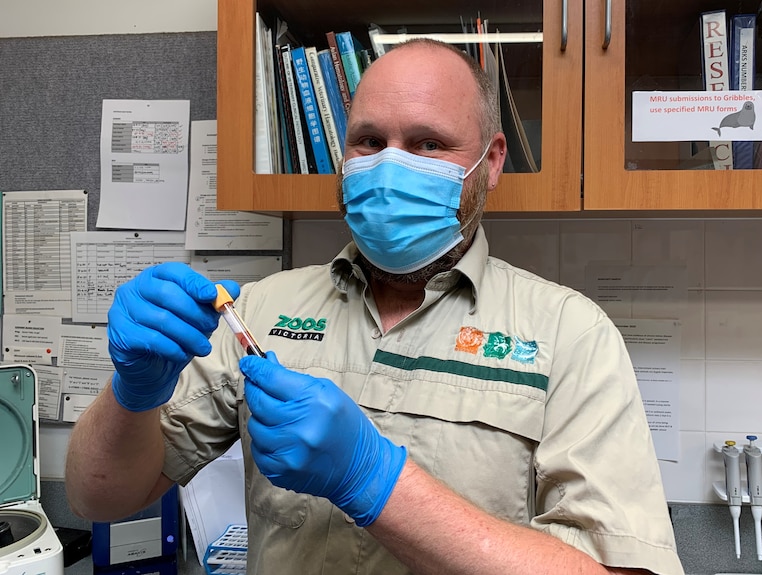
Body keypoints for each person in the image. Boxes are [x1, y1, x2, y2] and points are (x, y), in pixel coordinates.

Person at [66, 39, 684, 575]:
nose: (390, 166)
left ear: (491, 162)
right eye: (369, 141)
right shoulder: (263, 308)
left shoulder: (570, 334)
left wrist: (373, 481)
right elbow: (100, 498)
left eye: (427, 144)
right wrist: (133, 393)